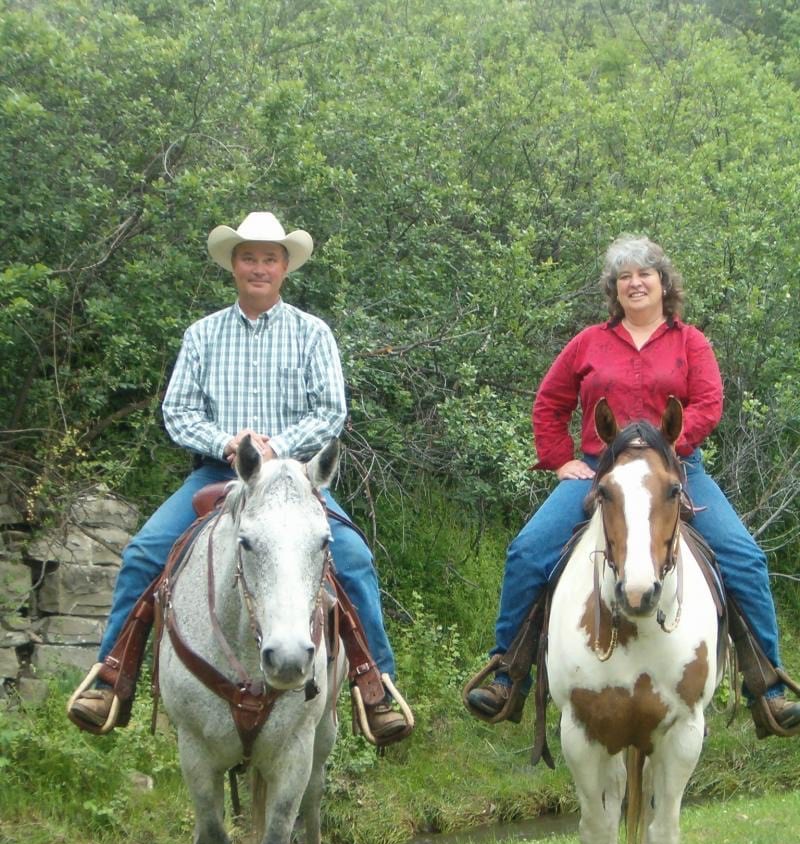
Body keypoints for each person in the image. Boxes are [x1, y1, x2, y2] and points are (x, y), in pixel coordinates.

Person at [68, 211, 412, 746]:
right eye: (249, 257)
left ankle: (374, 683)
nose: (259, 267)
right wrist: (226, 442)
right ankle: (113, 676)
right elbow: (178, 412)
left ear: (284, 267)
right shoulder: (202, 334)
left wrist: (278, 446)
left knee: (354, 559)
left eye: (269, 258)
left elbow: (330, 411)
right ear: (234, 264)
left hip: (296, 480)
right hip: (217, 475)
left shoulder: (312, 333)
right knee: (143, 554)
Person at [466, 233, 800, 735]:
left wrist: (669, 451)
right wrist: (560, 461)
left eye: (644, 274)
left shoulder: (691, 342)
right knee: (528, 551)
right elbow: (549, 403)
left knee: (744, 557)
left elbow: (709, 404)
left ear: (664, 283)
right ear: (614, 289)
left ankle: (767, 686)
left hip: (678, 470)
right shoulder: (588, 343)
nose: (635, 283)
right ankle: (508, 673)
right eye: (624, 277)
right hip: (603, 472)